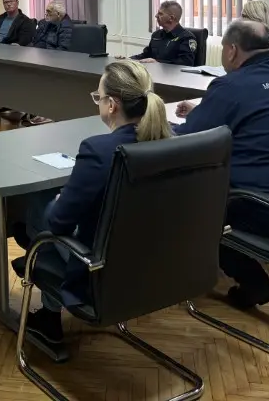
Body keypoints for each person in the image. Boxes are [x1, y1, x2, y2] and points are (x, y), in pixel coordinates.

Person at [17, 60, 172, 345]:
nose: (97, 101)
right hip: (159, 264)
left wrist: (60, 201)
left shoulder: (98, 151)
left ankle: (49, 314)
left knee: (41, 204)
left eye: (98, 97)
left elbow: (58, 223)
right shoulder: (173, 141)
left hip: (101, 269)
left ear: (111, 105)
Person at [172, 20, 269, 310]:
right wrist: (208, 110)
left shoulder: (230, 86)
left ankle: (253, 282)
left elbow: (188, 140)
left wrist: (155, 126)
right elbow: (257, 116)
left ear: (232, 51)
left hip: (260, 207)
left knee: (184, 200)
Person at [120, 1, 196, 66]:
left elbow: (186, 62)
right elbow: (146, 55)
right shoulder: (156, 35)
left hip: (174, 77)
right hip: (154, 74)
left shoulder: (186, 37)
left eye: (160, 14)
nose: (156, 16)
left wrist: (158, 62)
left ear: (171, 18)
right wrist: (128, 60)